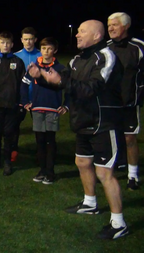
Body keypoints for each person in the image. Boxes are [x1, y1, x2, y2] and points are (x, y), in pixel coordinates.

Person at [33, 20, 127, 240]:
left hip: (103, 123)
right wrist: (43, 79)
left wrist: (61, 81)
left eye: (81, 32)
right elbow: (64, 83)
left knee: (105, 172)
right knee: (82, 162)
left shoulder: (106, 56)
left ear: (96, 35)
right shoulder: (76, 59)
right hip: (83, 123)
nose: (76, 35)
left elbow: (92, 88)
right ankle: (90, 203)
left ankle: (119, 223)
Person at [21, 37, 69, 184]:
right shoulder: (34, 66)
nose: (46, 51)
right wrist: (25, 102)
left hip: (52, 109)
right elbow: (23, 85)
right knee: (40, 141)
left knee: (50, 141)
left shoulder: (60, 68)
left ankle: (50, 172)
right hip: (37, 108)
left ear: (54, 50)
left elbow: (68, 88)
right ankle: (42, 170)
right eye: (43, 48)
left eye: (49, 49)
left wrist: (66, 105)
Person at [107, 12, 143, 190]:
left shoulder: (139, 47)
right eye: (109, 26)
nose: (111, 29)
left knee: (130, 139)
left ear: (126, 26)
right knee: (109, 139)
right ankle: (108, 172)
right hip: (109, 104)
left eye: (114, 25)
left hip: (129, 104)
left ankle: (133, 175)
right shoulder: (105, 47)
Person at [0, 32, 26, 176]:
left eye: (8, 43)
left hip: (12, 105)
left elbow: (23, 84)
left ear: (12, 45)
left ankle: (7, 162)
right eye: (2, 42)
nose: (5, 45)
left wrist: (21, 103)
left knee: (9, 134)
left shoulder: (18, 62)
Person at [13, 27, 42, 162]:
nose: (28, 42)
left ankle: (41, 151)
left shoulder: (42, 55)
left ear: (35, 40)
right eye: (25, 39)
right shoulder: (16, 56)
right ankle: (13, 150)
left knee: (39, 126)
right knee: (15, 124)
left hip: (37, 98)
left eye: (31, 39)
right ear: (21, 40)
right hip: (20, 98)